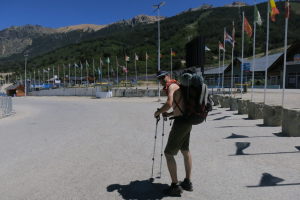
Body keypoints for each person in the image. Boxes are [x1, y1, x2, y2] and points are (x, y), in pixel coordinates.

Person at [154, 71, 193, 196]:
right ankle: (187, 182)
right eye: (159, 79)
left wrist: (158, 112)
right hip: (187, 120)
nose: (161, 80)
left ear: (168, 76)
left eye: (162, 77)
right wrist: (169, 114)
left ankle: (175, 186)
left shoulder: (171, 86)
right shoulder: (178, 85)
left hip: (181, 123)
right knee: (185, 150)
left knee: (168, 153)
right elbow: (179, 106)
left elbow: (169, 104)